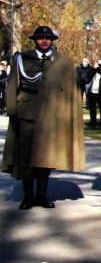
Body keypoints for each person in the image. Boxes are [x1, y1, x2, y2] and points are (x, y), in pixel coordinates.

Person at [2, 26, 86, 208]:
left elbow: (71, 87)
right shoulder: (22, 59)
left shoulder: (62, 61)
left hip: (51, 117)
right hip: (26, 115)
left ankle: (41, 195)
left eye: (48, 38)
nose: (44, 40)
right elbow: (12, 85)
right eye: (40, 37)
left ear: (52, 40)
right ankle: (28, 197)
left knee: (45, 159)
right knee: (25, 158)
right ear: (35, 40)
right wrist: (12, 111)